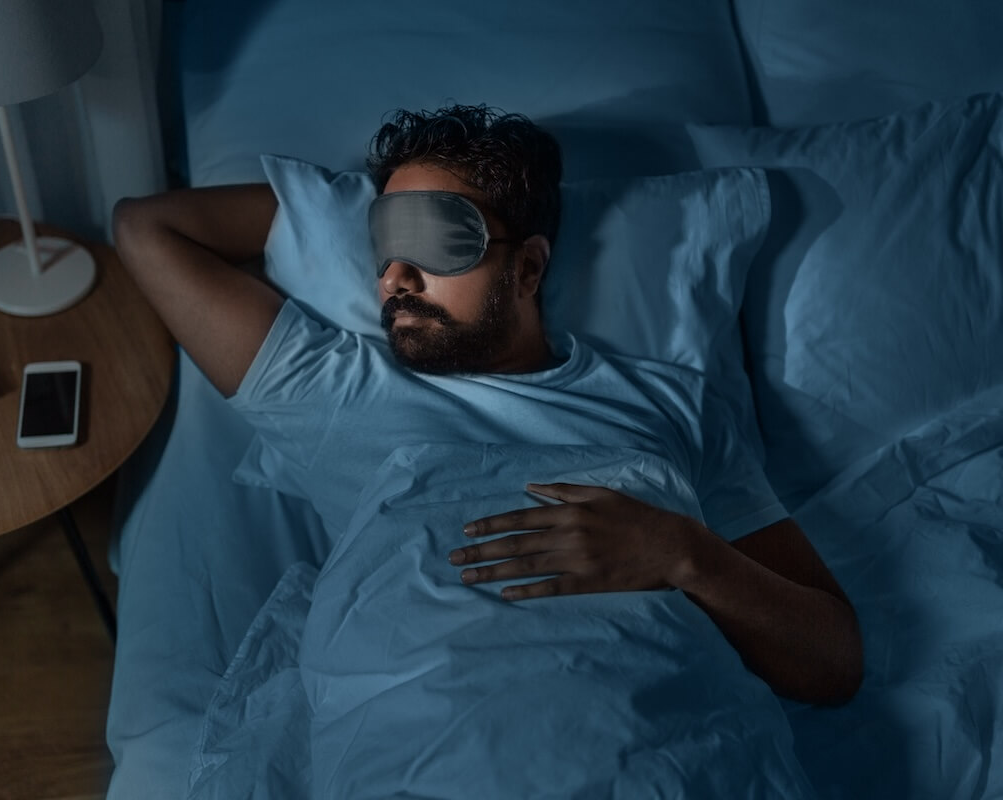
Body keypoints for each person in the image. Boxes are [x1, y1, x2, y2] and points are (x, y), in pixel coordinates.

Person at [112, 104, 863, 706]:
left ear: (528, 267)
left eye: (435, 238)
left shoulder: (674, 406)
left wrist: (683, 553)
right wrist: (334, 206)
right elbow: (146, 228)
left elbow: (833, 661)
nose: (394, 277)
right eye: (383, 245)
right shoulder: (333, 389)